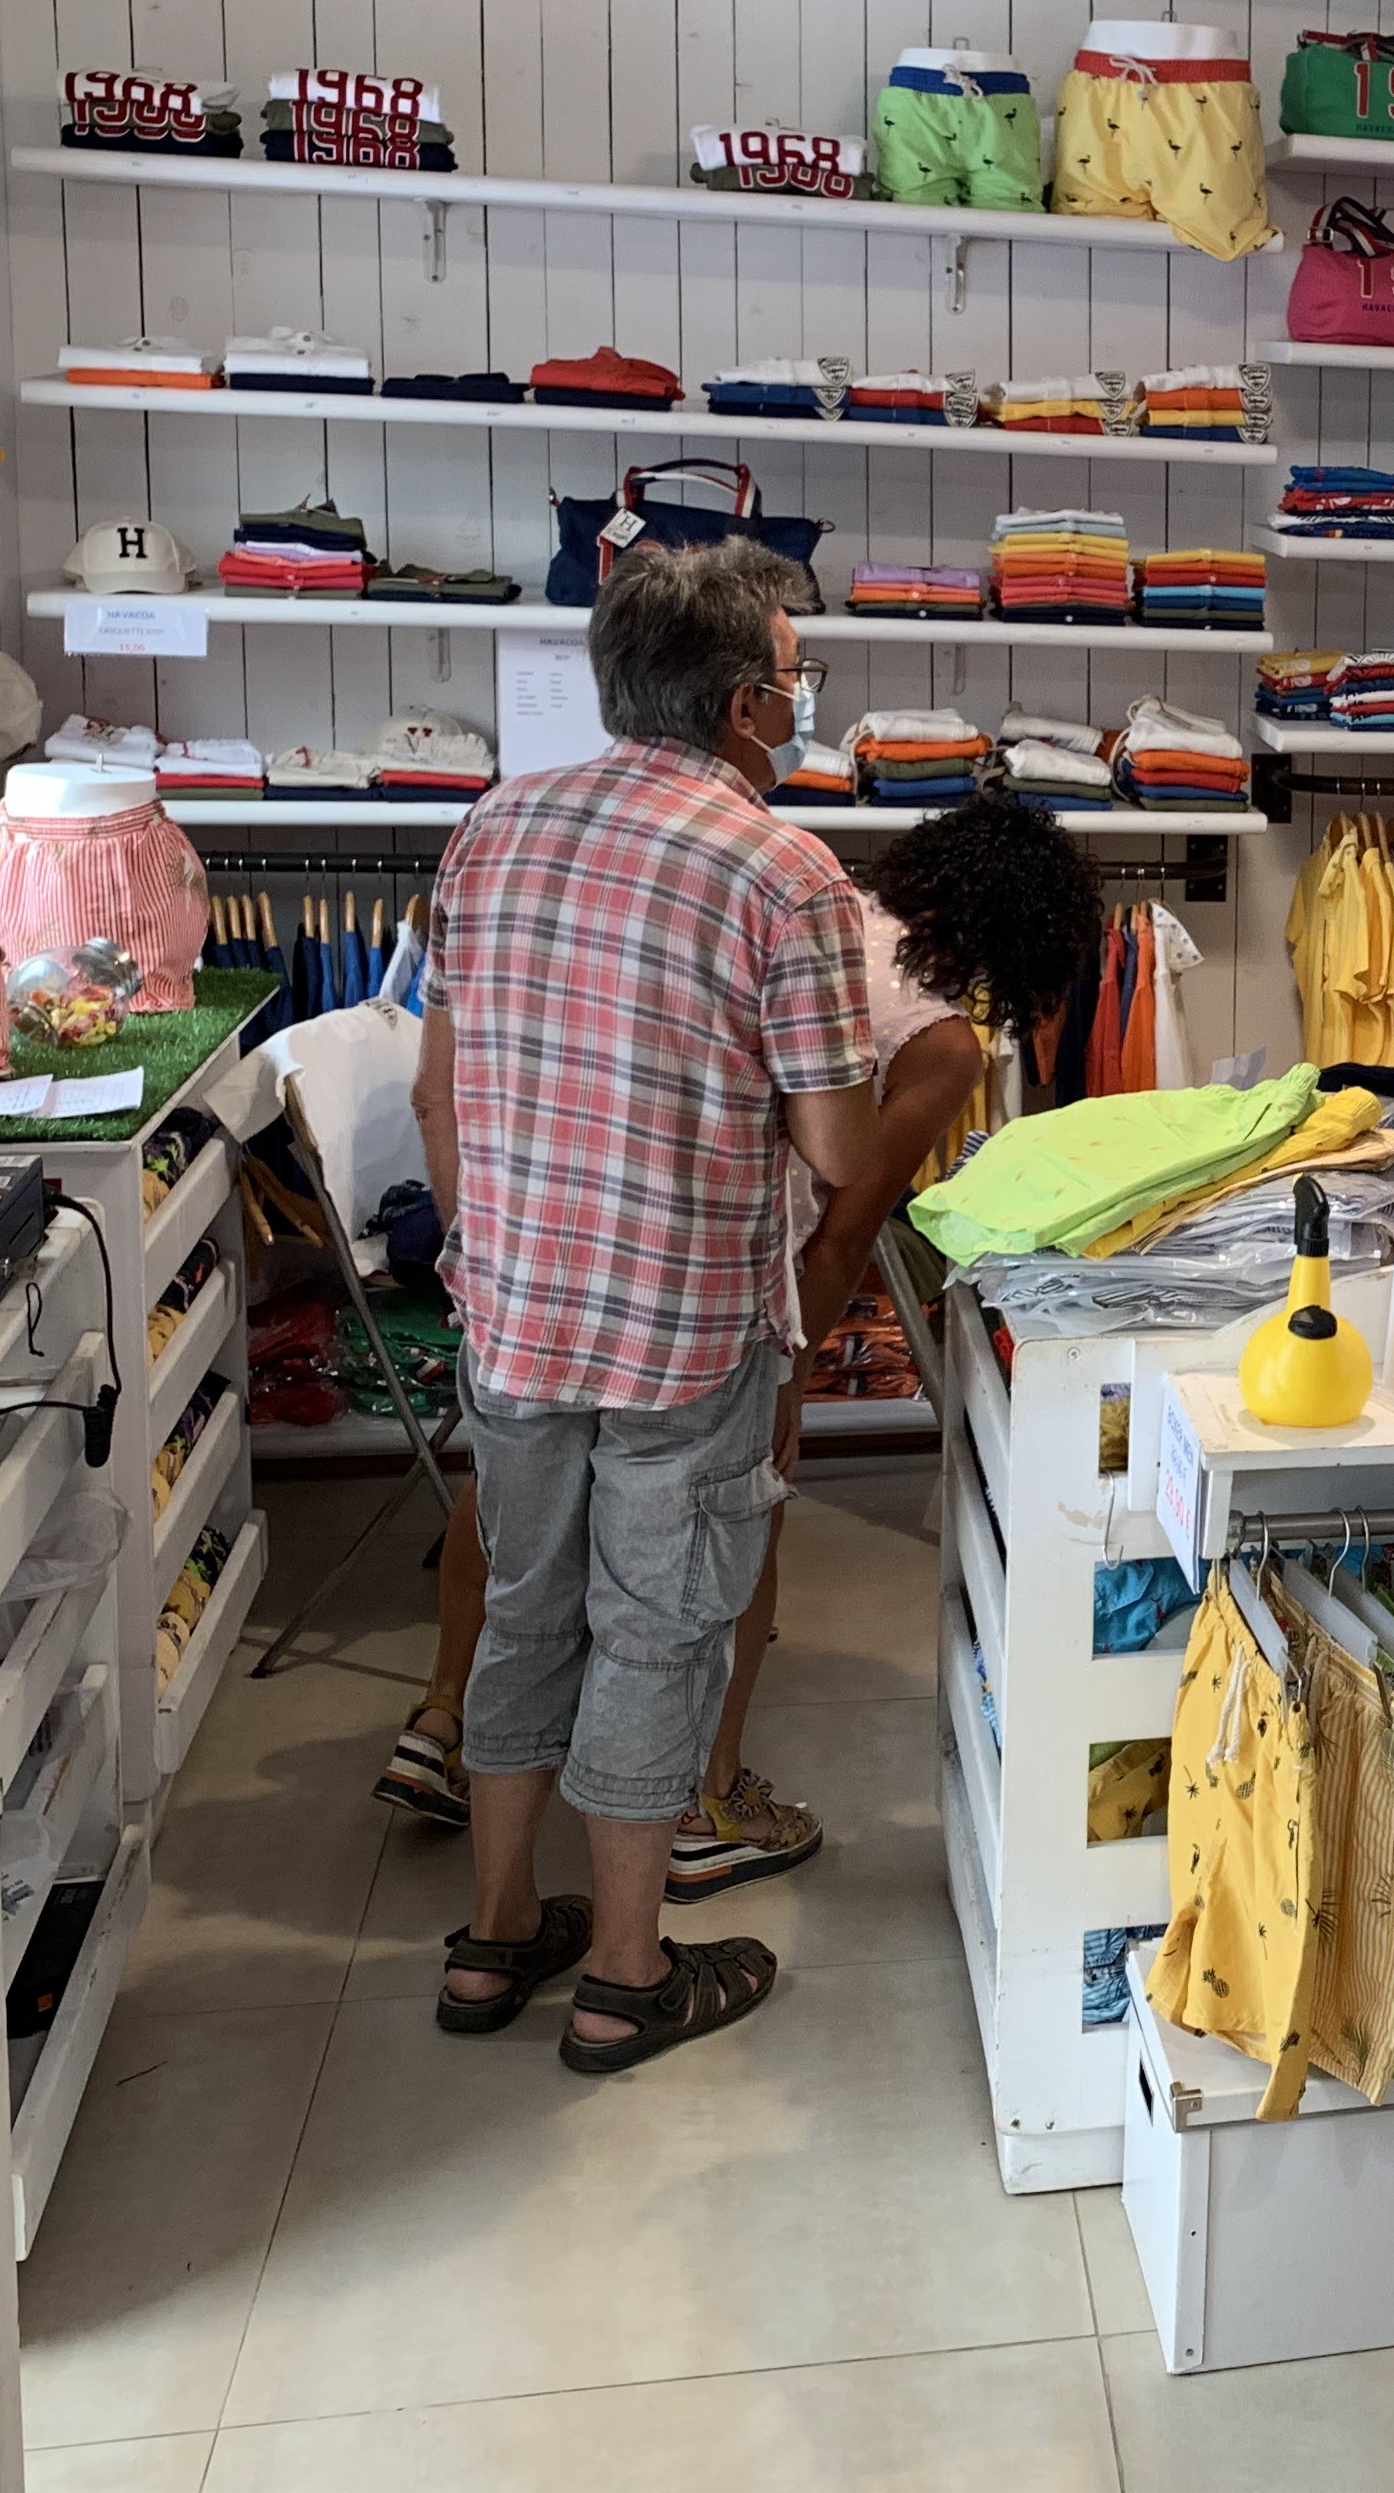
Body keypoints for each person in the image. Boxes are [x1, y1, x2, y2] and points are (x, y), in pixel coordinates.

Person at [374, 799, 1106, 1907]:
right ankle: (702, 1804)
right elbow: (841, 1229)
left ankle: (441, 1723)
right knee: (728, 1534)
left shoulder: (798, 912)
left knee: (517, 1523)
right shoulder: (942, 1043)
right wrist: (790, 1380)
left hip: (560, 1246)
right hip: (714, 1286)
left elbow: (454, 1090)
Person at [415, 538, 878, 2073]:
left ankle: (495, 1935)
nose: (801, 703)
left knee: (524, 1608)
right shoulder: (784, 872)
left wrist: (487, 1248)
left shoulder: (493, 829)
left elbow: (439, 1091)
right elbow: (837, 1149)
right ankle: (625, 1974)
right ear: (746, 705)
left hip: (517, 1310)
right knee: (659, 1634)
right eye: (796, 679)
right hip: (681, 1328)